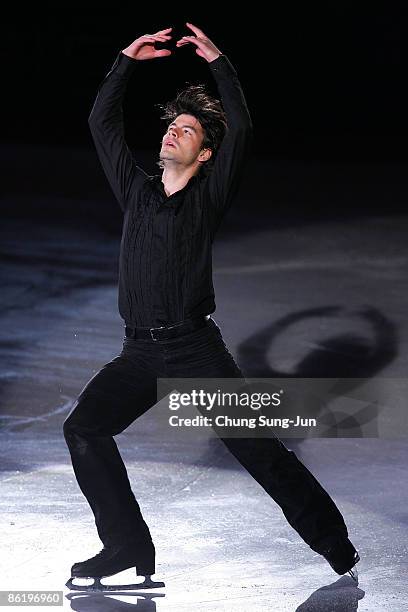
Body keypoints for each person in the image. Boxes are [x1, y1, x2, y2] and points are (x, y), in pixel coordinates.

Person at [63, 23, 360, 589]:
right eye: (172, 125)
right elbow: (100, 123)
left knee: (260, 454)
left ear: (204, 153)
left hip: (194, 352)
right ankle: (126, 543)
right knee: (84, 429)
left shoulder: (207, 197)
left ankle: (335, 544)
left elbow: (242, 127)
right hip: (138, 355)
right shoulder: (137, 190)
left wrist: (220, 63)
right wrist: (126, 60)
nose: (174, 133)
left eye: (188, 129)